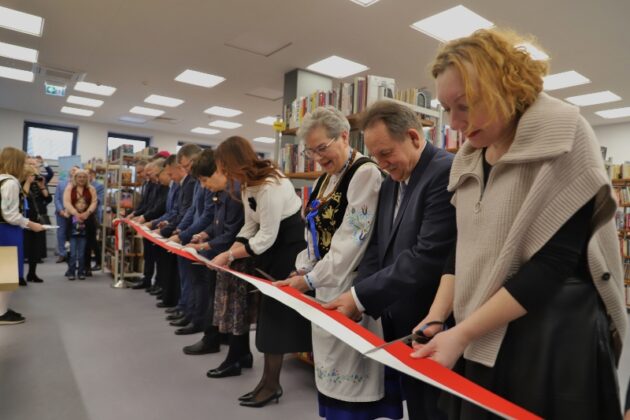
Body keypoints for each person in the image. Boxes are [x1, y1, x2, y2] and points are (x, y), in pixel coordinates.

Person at [409, 29, 628, 420]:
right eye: (447, 109)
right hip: (482, 324)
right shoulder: (469, 157)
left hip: (550, 335)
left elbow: (553, 264)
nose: (456, 123)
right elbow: (462, 248)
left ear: (504, 85)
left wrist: (462, 332)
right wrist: (438, 315)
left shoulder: (565, 134)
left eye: (466, 105)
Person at [324, 100, 456, 420]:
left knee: (437, 409)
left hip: (432, 321)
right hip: (399, 320)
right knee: (416, 405)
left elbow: (427, 255)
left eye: (386, 153)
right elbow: (377, 248)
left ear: (413, 137)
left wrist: (359, 297)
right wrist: (359, 292)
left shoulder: (444, 171)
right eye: (375, 156)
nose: (381, 163)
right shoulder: (389, 181)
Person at [273, 107, 401, 419]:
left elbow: (352, 241)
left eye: (322, 148)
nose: (317, 157)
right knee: (330, 370)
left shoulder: (365, 173)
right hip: (324, 285)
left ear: (344, 136)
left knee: (353, 376)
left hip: (351, 286)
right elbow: (312, 233)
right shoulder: (325, 180)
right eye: (311, 151)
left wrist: (310, 279)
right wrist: (303, 268)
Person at [211, 136, 311, 408]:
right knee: (268, 319)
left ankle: (271, 384)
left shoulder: (270, 184)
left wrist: (230, 254)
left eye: (225, 167)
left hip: (288, 252)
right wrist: (234, 246)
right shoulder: (247, 185)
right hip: (270, 252)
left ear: (236, 162)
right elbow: (250, 225)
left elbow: (266, 236)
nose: (224, 174)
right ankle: (267, 382)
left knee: (274, 319)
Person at [182, 149, 248, 370]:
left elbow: (231, 232)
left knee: (236, 310)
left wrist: (203, 245)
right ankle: (240, 353)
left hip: (236, 258)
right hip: (224, 256)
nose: (203, 186)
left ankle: (237, 356)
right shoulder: (222, 191)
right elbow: (217, 223)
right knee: (228, 307)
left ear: (219, 171)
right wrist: (205, 234)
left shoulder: (235, 193)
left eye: (204, 180)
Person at [0, 147, 45, 325]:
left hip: (3, 230)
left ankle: (1, 308)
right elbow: (10, 214)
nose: (27, 165)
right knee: (7, 274)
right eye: (25, 162)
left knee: (3, 273)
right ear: (17, 163)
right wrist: (30, 224)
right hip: (7, 231)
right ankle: (2, 313)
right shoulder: (11, 183)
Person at [63, 170, 97, 280]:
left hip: (88, 220)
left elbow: (94, 202)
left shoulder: (91, 189)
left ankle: (84, 269)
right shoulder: (69, 188)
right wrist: (76, 213)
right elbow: (66, 202)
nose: (81, 179)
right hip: (72, 220)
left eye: (83, 177)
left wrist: (87, 213)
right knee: (71, 249)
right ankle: (71, 270)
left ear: (87, 178)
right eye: (79, 177)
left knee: (86, 247)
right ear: (75, 178)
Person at [22, 163, 52, 283]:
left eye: (34, 175)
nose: (33, 177)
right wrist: (28, 182)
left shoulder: (37, 184)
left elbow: (48, 198)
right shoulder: (19, 184)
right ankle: (19, 276)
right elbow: (23, 196)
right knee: (24, 247)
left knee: (35, 248)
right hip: (24, 219)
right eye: (31, 175)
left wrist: (42, 186)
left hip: (37, 218)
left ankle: (32, 273)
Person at [54, 165, 79, 263]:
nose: (73, 171)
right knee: (61, 234)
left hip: (74, 214)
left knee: (75, 233)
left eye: (75, 170)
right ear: (69, 172)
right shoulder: (61, 184)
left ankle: (73, 254)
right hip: (61, 214)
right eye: (72, 169)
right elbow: (57, 199)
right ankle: (62, 254)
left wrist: (73, 211)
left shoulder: (80, 186)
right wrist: (61, 210)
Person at [66, 197, 88, 280]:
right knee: (73, 255)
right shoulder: (72, 215)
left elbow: (90, 228)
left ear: (86, 206)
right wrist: (67, 239)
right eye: (79, 202)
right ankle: (71, 272)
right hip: (72, 237)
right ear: (75, 205)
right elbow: (67, 227)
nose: (81, 205)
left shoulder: (87, 215)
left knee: (81, 255)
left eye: (83, 203)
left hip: (83, 237)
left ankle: (81, 272)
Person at [88, 168, 104, 271]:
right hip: (80, 215)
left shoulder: (99, 186)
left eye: (86, 174)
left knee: (93, 240)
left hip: (93, 216)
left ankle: (99, 262)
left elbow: (99, 200)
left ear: (92, 175)